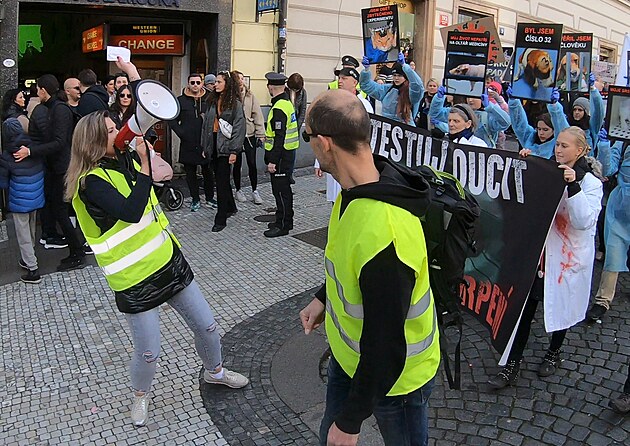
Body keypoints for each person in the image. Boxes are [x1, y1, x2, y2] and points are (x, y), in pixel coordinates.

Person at [64, 110, 249, 427]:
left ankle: (215, 372)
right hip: (134, 280)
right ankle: (141, 396)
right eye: (110, 131)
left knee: (206, 326)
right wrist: (145, 166)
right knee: (148, 351)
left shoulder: (125, 160)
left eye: (116, 127)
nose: (118, 133)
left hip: (168, 263)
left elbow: (160, 174)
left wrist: (144, 153)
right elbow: (131, 211)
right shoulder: (89, 183)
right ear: (93, 142)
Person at [299, 89, 439, 446]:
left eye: (307, 136)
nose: (309, 144)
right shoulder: (355, 190)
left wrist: (350, 423)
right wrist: (324, 297)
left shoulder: (386, 231)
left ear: (325, 143)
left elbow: (387, 347)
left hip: (399, 380)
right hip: (349, 361)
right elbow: (349, 260)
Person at [488, 126, 603, 389]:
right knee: (523, 312)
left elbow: (584, 220)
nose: (558, 149)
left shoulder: (591, 183)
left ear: (581, 150)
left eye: (564, 146)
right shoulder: (547, 172)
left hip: (565, 261)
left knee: (560, 307)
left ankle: (554, 351)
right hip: (538, 256)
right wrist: (525, 168)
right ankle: (512, 364)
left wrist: (572, 185)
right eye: (558, 145)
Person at [14, 74, 86, 270]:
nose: (37, 93)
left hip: (62, 168)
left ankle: (78, 252)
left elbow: (59, 142)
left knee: (61, 211)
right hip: (57, 167)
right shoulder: (52, 108)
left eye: (38, 90)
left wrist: (31, 151)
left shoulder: (59, 109)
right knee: (58, 210)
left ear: (44, 90)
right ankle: (76, 250)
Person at [586, 129, 630, 321]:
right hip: (620, 207)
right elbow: (608, 169)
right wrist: (604, 145)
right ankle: (603, 300)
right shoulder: (623, 142)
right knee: (613, 253)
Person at [314, 67, 372, 203]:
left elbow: (369, 137)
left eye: (344, 78)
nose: (340, 81)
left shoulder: (364, 105)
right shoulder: (331, 104)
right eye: (339, 78)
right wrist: (319, 161)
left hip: (354, 161)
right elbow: (323, 132)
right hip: (334, 158)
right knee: (336, 200)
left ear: (355, 83)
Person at [0, 117, 45, 284]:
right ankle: (29, 257)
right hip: (36, 195)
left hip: (19, 200)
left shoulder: (7, 155)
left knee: (23, 233)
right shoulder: (31, 146)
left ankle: (33, 269)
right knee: (31, 228)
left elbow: (3, 182)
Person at [201, 71, 245, 232]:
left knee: (221, 181)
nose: (216, 84)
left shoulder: (235, 104)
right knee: (221, 179)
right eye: (215, 82)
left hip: (226, 147)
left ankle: (220, 218)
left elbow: (239, 128)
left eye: (219, 82)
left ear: (227, 84)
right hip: (213, 144)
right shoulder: (212, 100)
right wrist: (205, 146)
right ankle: (231, 206)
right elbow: (206, 125)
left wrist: (234, 151)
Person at [170, 73, 215, 212]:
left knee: (208, 171)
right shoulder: (180, 100)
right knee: (190, 173)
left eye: (197, 82)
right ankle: (195, 199)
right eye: (192, 82)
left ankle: (209, 198)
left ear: (202, 83)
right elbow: (171, 118)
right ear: (188, 83)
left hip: (205, 141)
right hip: (188, 142)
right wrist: (181, 132)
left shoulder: (209, 99)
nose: (195, 85)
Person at [263, 72, 299, 238]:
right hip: (287, 154)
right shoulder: (286, 103)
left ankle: (283, 225)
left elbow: (279, 137)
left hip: (281, 157)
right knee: (282, 190)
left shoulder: (279, 108)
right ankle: (282, 219)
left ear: (270, 87)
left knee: (281, 191)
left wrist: (272, 161)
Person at [430, 86, 511, 148]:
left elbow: (506, 122)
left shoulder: (487, 116)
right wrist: (439, 98)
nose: (470, 100)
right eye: (469, 96)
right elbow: (435, 114)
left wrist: (490, 106)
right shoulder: (458, 111)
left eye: (475, 96)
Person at [360, 52, 424, 126]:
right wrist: (366, 70)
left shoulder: (411, 92)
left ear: (405, 77)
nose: (396, 78)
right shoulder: (387, 89)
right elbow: (366, 86)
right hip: (386, 129)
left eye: (399, 75)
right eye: (394, 75)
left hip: (406, 130)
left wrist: (405, 66)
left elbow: (418, 86)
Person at [508, 87, 568, 159]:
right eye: (539, 129)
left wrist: (554, 106)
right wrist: (513, 101)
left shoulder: (557, 144)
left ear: (553, 130)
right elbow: (519, 124)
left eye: (545, 130)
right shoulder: (530, 138)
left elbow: (561, 126)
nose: (541, 133)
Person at [234, 70, 265, 205]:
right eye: (238, 79)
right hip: (235, 135)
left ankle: (255, 190)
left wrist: (260, 133)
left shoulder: (250, 95)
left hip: (249, 134)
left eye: (242, 78)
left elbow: (257, 113)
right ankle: (238, 190)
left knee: (252, 163)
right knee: (237, 164)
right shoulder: (230, 96)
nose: (241, 81)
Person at [565, 74, 605, 152]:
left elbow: (598, 110)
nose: (576, 112)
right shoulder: (567, 123)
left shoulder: (591, 126)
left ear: (586, 112)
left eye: (580, 110)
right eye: (574, 110)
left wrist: (593, 89)